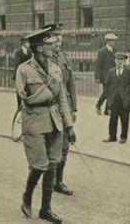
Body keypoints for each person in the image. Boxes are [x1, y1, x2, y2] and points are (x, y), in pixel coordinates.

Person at [16, 27, 76, 223]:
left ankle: (45, 209)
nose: (53, 46)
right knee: (40, 165)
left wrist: (69, 125)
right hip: (33, 120)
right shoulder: (24, 70)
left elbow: (63, 100)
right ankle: (27, 195)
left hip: (54, 121)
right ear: (39, 48)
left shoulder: (56, 69)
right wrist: (45, 93)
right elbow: (24, 97)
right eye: (49, 44)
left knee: (52, 164)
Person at [45, 24, 77, 197]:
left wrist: (74, 107)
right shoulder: (44, 59)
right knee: (50, 144)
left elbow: (70, 83)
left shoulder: (65, 58)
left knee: (65, 145)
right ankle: (45, 176)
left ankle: (58, 181)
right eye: (55, 36)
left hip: (65, 107)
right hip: (50, 107)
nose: (59, 40)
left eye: (60, 36)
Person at [96, 52, 130, 144]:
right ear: (115, 60)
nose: (120, 62)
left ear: (124, 61)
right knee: (113, 118)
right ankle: (112, 136)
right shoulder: (111, 72)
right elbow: (107, 88)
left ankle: (123, 137)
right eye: (118, 59)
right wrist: (99, 104)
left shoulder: (129, 72)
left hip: (125, 100)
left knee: (125, 119)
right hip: (114, 100)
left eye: (122, 60)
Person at [95, 32, 117, 115]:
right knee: (107, 92)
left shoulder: (115, 51)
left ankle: (106, 109)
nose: (114, 43)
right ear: (108, 41)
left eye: (115, 41)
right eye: (113, 41)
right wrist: (97, 77)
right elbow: (98, 65)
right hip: (105, 76)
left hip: (113, 75)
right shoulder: (102, 51)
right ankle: (99, 105)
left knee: (110, 92)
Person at [13, 37, 32, 109]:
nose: (28, 44)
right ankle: (19, 105)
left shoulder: (29, 51)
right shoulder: (18, 52)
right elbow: (17, 64)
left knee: (27, 88)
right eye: (27, 42)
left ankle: (27, 103)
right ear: (23, 43)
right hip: (20, 72)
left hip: (27, 73)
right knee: (19, 89)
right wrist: (16, 75)